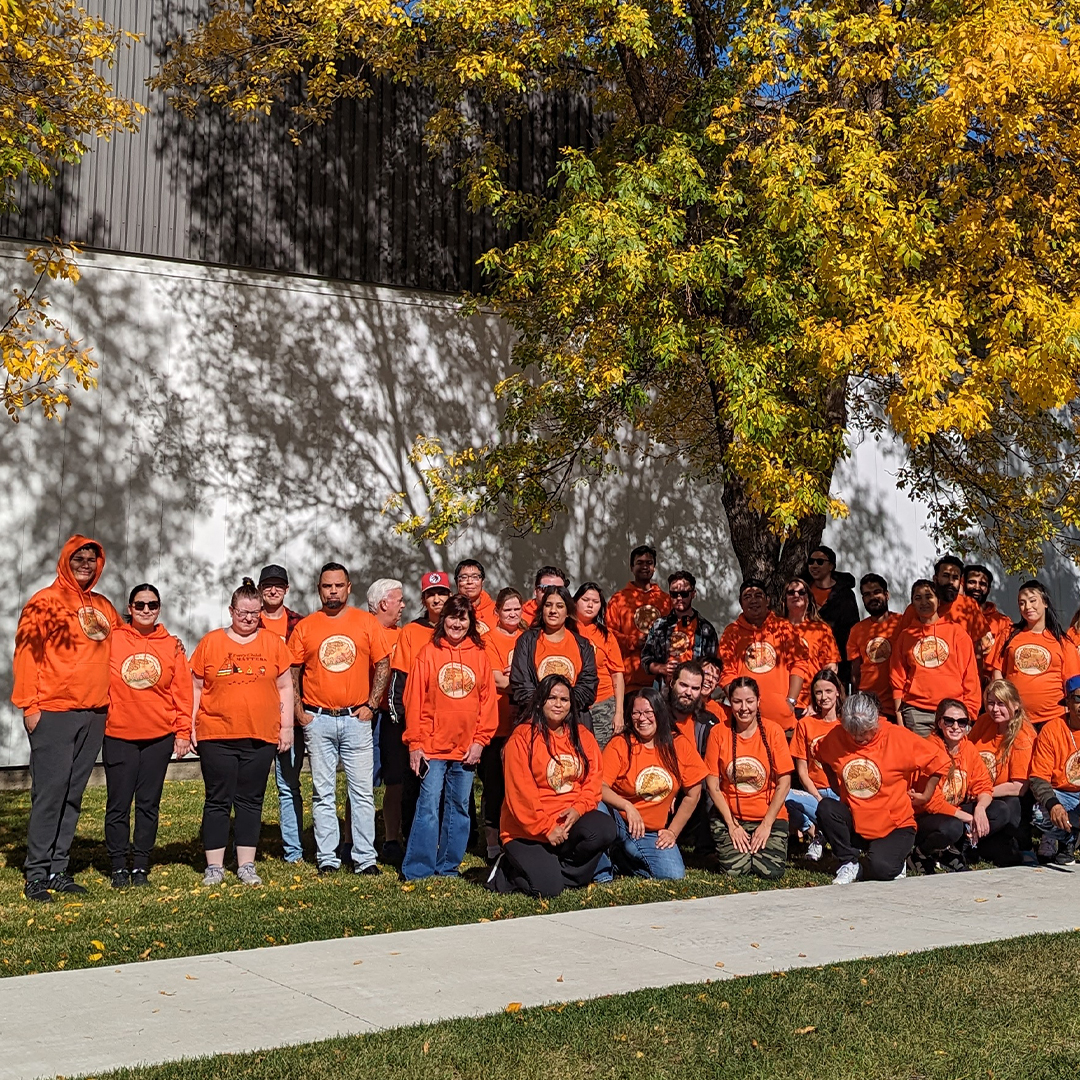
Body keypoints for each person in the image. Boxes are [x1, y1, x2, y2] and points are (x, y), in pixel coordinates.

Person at [13, 535, 119, 901]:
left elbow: (124, 649)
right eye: (79, 558)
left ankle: (59, 868)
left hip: (94, 713)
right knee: (50, 793)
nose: (86, 564)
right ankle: (36, 874)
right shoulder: (44, 602)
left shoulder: (104, 606)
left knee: (73, 794)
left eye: (92, 558)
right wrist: (29, 705)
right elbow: (27, 652)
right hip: (54, 712)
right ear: (66, 560)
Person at [190, 578, 294, 886]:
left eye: (254, 613)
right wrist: (191, 724)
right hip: (217, 733)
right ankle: (214, 866)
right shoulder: (211, 642)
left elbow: (285, 685)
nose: (248, 619)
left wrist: (286, 727)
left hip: (260, 734)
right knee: (218, 799)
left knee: (251, 799)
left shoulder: (273, 643)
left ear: (261, 611)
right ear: (231, 610)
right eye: (242, 613)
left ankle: (247, 864)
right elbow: (195, 686)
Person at [288, 564, 392, 875]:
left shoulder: (365, 622)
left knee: (361, 791)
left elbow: (384, 663)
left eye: (338, 585)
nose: (332, 591)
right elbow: (293, 669)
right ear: (318, 589)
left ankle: (364, 858)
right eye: (326, 586)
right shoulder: (306, 627)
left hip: (355, 719)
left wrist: (372, 705)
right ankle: (328, 858)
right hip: (318, 719)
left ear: (348, 587)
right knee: (323, 792)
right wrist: (298, 711)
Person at [487, 674, 616, 896]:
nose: (558, 704)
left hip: (566, 825)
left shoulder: (582, 736)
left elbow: (593, 781)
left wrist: (579, 809)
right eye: (552, 698)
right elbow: (521, 795)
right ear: (539, 701)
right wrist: (546, 828)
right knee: (548, 890)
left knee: (604, 829)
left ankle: (555, 870)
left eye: (564, 699)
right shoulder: (521, 738)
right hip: (526, 831)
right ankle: (506, 871)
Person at [402, 594, 499, 880]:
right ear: (443, 619)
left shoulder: (480, 656)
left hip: (467, 748)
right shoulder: (428, 653)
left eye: (463, 618)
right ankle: (418, 869)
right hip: (432, 747)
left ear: (470, 623)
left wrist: (480, 741)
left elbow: (488, 703)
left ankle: (447, 866)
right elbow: (414, 701)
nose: (457, 623)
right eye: (452, 617)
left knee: (459, 808)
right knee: (429, 806)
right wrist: (415, 744)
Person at [104, 584, 192, 888]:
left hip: (158, 737)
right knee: (118, 803)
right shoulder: (112, 640)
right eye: (139, 605)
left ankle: (140, 864)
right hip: (119, 734)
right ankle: (118, 865)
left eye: (152, 605)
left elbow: (182, 691)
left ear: (159, 608)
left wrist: (183, 731)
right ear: (129, 608)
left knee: (148, 803)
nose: (145, 610)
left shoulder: (170, 646)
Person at [815, 692, 950, 884]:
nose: (858, 738)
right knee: (827, 808)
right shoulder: (838, 736)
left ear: (875, 722)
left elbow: (940, 761)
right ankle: (849, 862)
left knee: (882, 870)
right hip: (855, 820)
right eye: (852, 733)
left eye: (864, 733)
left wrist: (926, 795)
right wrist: (837, 787)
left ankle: (895, 859)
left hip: (894, 825)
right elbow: (821, 754)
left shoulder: (897, 737)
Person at [600, 688, 708, 879]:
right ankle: (603, 869)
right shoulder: (620, 744)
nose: (642, 719)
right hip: (618, 821)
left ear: (659, 712)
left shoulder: (678, 744)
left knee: (673, 875)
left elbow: (694, 792)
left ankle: (622, 859)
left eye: (648, 712)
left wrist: (672, 832)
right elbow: (599, 787)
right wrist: (627, 806)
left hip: (650, 831)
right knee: (596, 808)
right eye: (636, 713)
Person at [386, 571, 451, 861]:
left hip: (450, 722)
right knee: (415, 785)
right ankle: (413, 840)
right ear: (424, 599)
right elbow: (399, 678)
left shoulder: (457, 629)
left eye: (442, 593)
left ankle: (445, 843)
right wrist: (403, 719)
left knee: (451, 788)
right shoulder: (412, 632)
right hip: (419, 722)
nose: (437, 599)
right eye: (431, 594)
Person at [703, 676, 794, 878]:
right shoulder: (719, 732)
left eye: (749, 701)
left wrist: (766, 824)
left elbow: (784, 782)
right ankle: (734, 848)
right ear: (730, 703)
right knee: (736, 871)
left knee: (770, 872)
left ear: (758, 702)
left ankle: (757, 847)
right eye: (737, 701)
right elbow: (713, 785)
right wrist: (732, 825)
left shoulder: (773, 732)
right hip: (731, 816)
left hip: (768, 816)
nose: (744, 708)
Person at [911, 699, 1007, 873]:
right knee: (953, 826)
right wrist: (969, 819)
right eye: (949, 721)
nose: (956, 727)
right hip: (926, 815)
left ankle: (951, 852)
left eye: (962, 722)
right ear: (940, 722)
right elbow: (931, 802)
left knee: (1000, 811)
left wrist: (980, 809)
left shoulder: (968, 748)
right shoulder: (928, 749)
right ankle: (920, 853)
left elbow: (984, 785)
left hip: (955, 809)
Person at [256, 564, 305, 865]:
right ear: (260, 590)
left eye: (278, 585)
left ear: (286, 589)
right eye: (267, 585)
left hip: (290, 719)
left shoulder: (300, 624)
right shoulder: (248, 622)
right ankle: (250, 847)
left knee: (289, 785)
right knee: (252, 788)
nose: (273, 590)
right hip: (256, 714)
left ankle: (294, 850)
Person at [718, 579, 809, 733]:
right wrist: (739, 704)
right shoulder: (731, 632)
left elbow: (799, 665)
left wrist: (791, 702)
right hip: (746, 724)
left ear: (767, 600)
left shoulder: (783, 628)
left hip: (783, 722)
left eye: (758, 595)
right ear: (740, 603)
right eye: (747, 597)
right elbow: (726, 674)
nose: (753, 600)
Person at [890, 579, 980, 735]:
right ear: (912, 603)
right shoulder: (905, 637)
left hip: (954, 713)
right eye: (918, 598)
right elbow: (897, 679)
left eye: (928, 596)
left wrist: (969, 714)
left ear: (938, 601)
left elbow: (970, 675)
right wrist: (900, 719)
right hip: (917, 713)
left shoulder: (956, 633)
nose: (924, 602)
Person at [509, 584, 599, 727]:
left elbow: (588, 685)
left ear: (568, 611)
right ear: (542, 609)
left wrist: (562, 708)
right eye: (548, 605)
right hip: (535, 721)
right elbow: (521, 684)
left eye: (560, 606)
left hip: (574, 723)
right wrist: (546, 708)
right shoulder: (527, 641)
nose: (553, 611)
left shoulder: (583, 645)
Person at [968, 679, 1034, 866]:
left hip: (1001, 795)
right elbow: (965, 752)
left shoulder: (1023, 735)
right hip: (974, 790)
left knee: (1011, 805)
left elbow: (1018, 787)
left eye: (1001, 703)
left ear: (1015, 705)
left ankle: (997, 843)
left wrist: (982, 794)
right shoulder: (983, 722)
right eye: (990, 703)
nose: (995, 709)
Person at [481, 588, 524, 861]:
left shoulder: (528, 637)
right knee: (494, 786)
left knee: (518, 786)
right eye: (507, 610)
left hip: (523, 725)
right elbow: (497, 680)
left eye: (516, 609)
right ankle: (492, 843)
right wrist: (522, 681)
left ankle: (517, 837)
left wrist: (515, 678)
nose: (512, 614)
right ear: (496, 612)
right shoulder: (488, 640)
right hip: (496, 724)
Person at [999, 580, 1078, 729]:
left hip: (1054, 718)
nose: (1027, 607)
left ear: (1045, 603)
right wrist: (1002, 704)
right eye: (1021, 603)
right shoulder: (1008, 635)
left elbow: (1072, 684)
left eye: (1032, 600)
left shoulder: (1063, 642)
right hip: (1016, 717)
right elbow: (997, 673)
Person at [786, 670, 844, 861]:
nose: (823, 697)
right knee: (783, 796)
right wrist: (818, 797)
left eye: (828, 691)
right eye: (818, 692)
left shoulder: (845, 724)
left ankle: (824, 836)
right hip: (814, 791)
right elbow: (802, 771)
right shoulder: (806, 724)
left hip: (841, 794)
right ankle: (813, 832)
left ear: (837, 692)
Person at [1029, 673, 1080, 865]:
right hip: (1062, 794)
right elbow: (1038, 777)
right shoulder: (1052, 729)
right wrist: (1054, 805)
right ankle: (1068, 840)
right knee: (1040, 814)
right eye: (1078, 698)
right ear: (1067, 701)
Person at [607, 545, 672, 692]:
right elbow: (609, 635)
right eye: (639, 563)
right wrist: (633, 641)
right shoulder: (619, 600)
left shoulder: (666, 600)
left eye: (649, 563)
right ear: (631, 567)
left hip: (660, 681)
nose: (644, 567)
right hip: (629, 680)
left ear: (654, 567)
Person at [899, 556, 992, 658]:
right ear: (935, 579)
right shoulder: (916, 608)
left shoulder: (969, 606)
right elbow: (901, 649)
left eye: (955, 578)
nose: (951, 582)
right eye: (946, 576)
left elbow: (977, 652)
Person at [640, 571, 719, 686]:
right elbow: (645, 658)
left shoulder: (706, 629)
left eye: (684, 594)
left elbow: (712, 667)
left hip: (693, 692)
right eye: (674, 594)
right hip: (664, 690)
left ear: (693, 594)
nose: (679, 598)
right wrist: (662, 668)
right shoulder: (659, 626)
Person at [573, 582, 625, 748]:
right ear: (575, 602)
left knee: (601, 754)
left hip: (602, 704)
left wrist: (619, 713)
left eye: (595, 602)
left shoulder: (606, 635)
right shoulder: (564, 630)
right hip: (571, 703)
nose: (590, 605)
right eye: (585, 599)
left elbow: (617, 674)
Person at [846, 574, 902, 720]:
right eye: (867, 594)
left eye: (877, 592)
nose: (872, 597)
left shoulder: (903, 623)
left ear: (887, 595)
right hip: (869, 706)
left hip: (899, 704)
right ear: (863, 599)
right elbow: (855, 672)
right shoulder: (857, 630)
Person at [780, 578, 840, 711]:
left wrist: (817, 703)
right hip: (781, 703)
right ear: (784, 600)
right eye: (791, 592)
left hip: (810, 705)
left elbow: (830, 669)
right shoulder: (775, 629)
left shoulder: (821, 630)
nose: (796, 595)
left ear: (809, 599)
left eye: (802, 592)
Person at [802, 545, 859, 684]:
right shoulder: (802, 591)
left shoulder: (845, 594)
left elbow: (852, 629)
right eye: (811, 561)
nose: (814, 565)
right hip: (806, 659)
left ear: (831, 566)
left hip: (838, 660)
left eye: (820, 562)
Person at [368, 577, 404, 790]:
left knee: (396, 781)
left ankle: (393, 825)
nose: (403, 605)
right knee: (362, 782)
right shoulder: (363, 630)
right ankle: (356, 825)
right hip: (368, 715)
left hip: (394, 716)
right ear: (383, 604)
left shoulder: (403, 634)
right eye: (399, 600)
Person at [963, 564, 1013, 682]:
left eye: (982, 584)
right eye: (972, 582)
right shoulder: (954, 616)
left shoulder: (1003, 622)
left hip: (991, 683)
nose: (977, 587)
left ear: (989, 589)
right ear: (963, 584)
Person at [454, 559, 497, 633]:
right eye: (464, 577)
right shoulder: (449, 610)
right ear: (456, 582)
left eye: (475, 577)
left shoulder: (497, 610)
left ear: (482, 581)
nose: (470, 582)